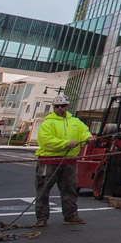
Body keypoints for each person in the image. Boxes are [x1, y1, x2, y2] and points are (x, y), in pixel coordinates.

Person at [34, 94, 93, 227]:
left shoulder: (75, 122)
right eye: (57, 106)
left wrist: (88, 137)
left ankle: (71, 216)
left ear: (67, 106)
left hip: (69, 162)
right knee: (43, 190)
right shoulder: (48, 123)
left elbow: (84, 131)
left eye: (63, 106)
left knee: (70, 189)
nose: (60, 108)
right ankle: (41, 218)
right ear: (54, 107)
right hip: (49, 161)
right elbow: (46, 140)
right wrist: (66, 143)